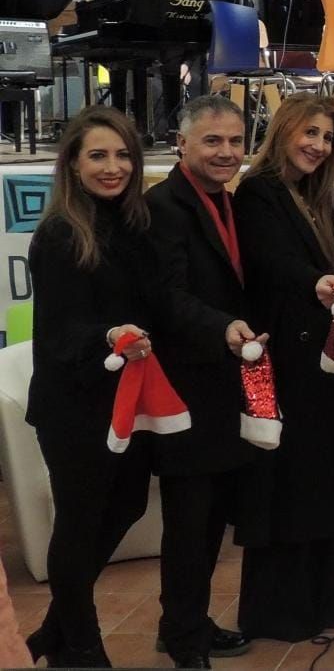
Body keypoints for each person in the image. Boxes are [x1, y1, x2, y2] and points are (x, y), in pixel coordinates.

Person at [24, 106, 158, 668]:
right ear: (72, 164)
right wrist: (110, 335)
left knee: (125, 504)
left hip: (129, 400)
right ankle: (80, 644)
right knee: (79, 521)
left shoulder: (134, 223)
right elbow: (59, 329)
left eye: (123, 154)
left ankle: (57, 627)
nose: (113, 167)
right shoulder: (58, 233)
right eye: (98, 155)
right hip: (74, 404)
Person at [231, 92, 334, 640]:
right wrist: (316, 282)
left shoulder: (313, 195)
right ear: (283, 131)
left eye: (327, 138)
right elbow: (270, 260)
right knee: (284, 490)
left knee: (316, 484)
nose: (318, 146)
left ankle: (317, 601)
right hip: (281, 358)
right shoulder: (259, 191)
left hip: (317, 360)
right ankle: (280, 612)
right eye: (309, 133)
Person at [144, 95, 258, 666]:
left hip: (224, 383)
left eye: (236, 141)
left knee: (211, 519)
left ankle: (185, 621)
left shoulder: (223, 202)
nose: (226, 152)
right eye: (212, 141)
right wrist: (223, 326)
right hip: (186, 388)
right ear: (181, 144)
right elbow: (165, 299)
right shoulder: (163, 207)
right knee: (189, 523)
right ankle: (184, 637)